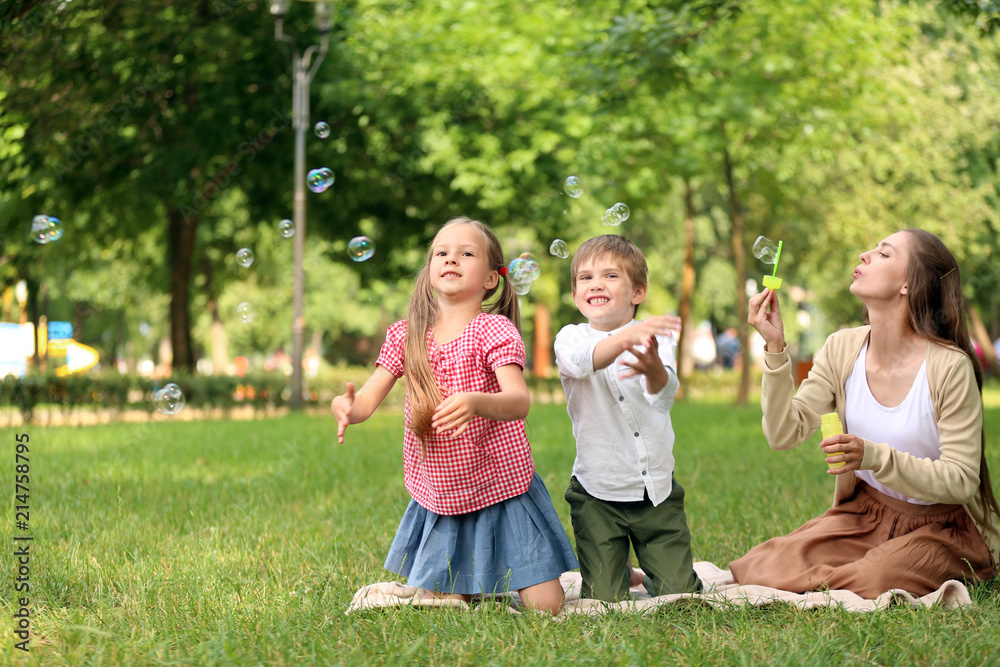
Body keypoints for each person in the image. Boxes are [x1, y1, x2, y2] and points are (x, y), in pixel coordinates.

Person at [730, 228, 1000, 598]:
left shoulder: (950, 367)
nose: (864, 255)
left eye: (884, 254)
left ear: (909, 284)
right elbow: (783, 434)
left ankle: (855, 570)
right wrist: (775, 347)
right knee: (761, 565)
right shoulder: (842, 348)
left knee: (871, 579)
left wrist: (872, 456)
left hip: (941, 525)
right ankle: (840, 568)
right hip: (866, 514)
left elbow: (961, 480)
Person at [330, 216, 578, 614]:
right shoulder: (406, 334)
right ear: (429, 270)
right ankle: (470, 581)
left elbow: (518, 401)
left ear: (491, 279)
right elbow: (364, 401)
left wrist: (478, 401)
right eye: (441, 253)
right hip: (443, 491)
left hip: (501, 485)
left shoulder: (493, 330)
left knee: (546, 607)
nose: (451, 259)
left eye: (466, 253)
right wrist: (345, 408)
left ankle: (498, 576)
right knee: (446, 603)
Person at [555, 234, 702, 601]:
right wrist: (627, 336)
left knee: (681, 595)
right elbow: (583, 362)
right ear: (575, 296)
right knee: (604, 600)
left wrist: (653, 367)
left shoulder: (654, 338)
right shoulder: (570, 338)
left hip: (655, 491)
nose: (596, 284)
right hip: (596, 494)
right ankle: (617, 565)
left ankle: (659, 569)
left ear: (637, 292)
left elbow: (664, 396)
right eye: (585, 278)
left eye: (610, 276)